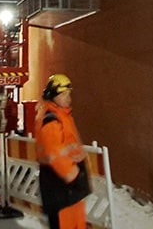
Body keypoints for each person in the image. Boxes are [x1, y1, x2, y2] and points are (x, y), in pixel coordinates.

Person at [34, 74, 91, 229]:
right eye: (64, 95)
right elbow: (55, 154)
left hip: (68, 189)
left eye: (68, 94)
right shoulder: (51, 121)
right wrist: (74, 177)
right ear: (53, 96)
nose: (68, 98)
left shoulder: (62, 116)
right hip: (61, 187)